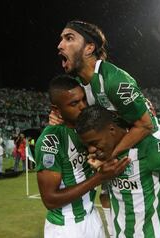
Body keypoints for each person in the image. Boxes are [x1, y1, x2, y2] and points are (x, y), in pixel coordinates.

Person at [56, 20, 160, 236]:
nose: (60, 45)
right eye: (61, 39)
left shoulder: (114, 81)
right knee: (108, 197)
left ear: (89, 48)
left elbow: (145, 125)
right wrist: (56, 118)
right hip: (125, 143)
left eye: (69, 38)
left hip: (151, 140)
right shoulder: (79, 87)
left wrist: (109, 157)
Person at [75, 105, 160, 238]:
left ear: (111, 130)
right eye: (87, 145)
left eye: (94, 143)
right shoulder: (103, 155)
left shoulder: (147, 148)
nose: (91, 150)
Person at [35, 75, 130, 238]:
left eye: (83, 99)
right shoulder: (51, 140)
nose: (82, 106)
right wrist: (98, 178)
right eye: (74, 103)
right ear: (56, 110)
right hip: (67, 227)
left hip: (92, 217)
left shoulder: (90, 129)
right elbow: (50, 199)